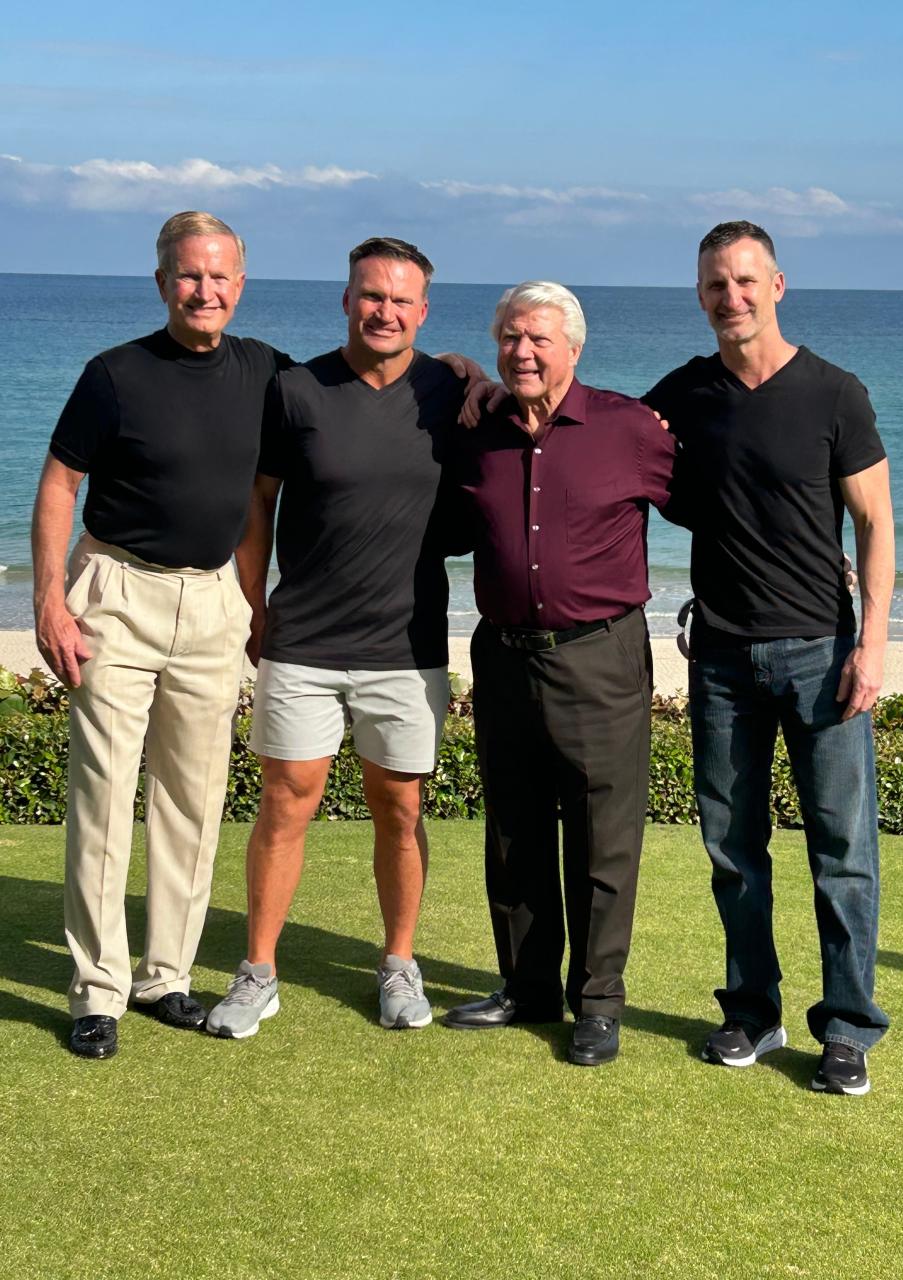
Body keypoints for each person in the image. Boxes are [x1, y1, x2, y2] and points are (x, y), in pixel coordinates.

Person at [644, 221, 894, 1096]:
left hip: (821, 654)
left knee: (842, 853)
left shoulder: (834, 393)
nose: (732, 298)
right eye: (716, 284)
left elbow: (875, 524)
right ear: (701, 294)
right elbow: (601, 438)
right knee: (732, 848)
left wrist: (872, 642)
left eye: (746, 281)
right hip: (718, 656)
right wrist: (475, 381)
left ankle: (849, 1028)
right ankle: (753, 1010)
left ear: (778, 285)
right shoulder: (683, 393)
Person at [32, 211, 290, 1059]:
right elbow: (61, 483)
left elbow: (357, 383)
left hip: (214, 601)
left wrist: (459, 375)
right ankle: (97, 991)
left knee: (193, 797)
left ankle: (165, 978)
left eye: (220, 277)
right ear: (161, 282)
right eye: (188, 276)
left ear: (241, 286)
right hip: (116, 595)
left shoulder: (264, 371)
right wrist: (50, 601)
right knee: (104, 798)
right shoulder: (113, 374)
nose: (204, 291)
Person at [205, 237, 468, 1039]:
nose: (383, 311)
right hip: (304, 640)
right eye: (370, 295)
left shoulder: (451, 394)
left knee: (400, 808)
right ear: (346, 299)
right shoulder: (295, 390)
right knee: (285, 806)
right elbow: (259, 501)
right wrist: (254, 603)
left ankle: (398, 964)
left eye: (400, 299)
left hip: (407, 642)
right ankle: (258, 972)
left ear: (423, 311)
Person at [441, 282, 682, 1066]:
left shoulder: (631, 428)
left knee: (601, 837)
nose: (524, 352)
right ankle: (527, 987)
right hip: (504, 656)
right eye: (511, 338)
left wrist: (818, 554)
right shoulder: (477, 432)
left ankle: (599, 1003)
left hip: (601, 656)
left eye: (540, 339)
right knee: (513, 831)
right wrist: (460, 371)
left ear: (575, 348)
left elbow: (717, 501)